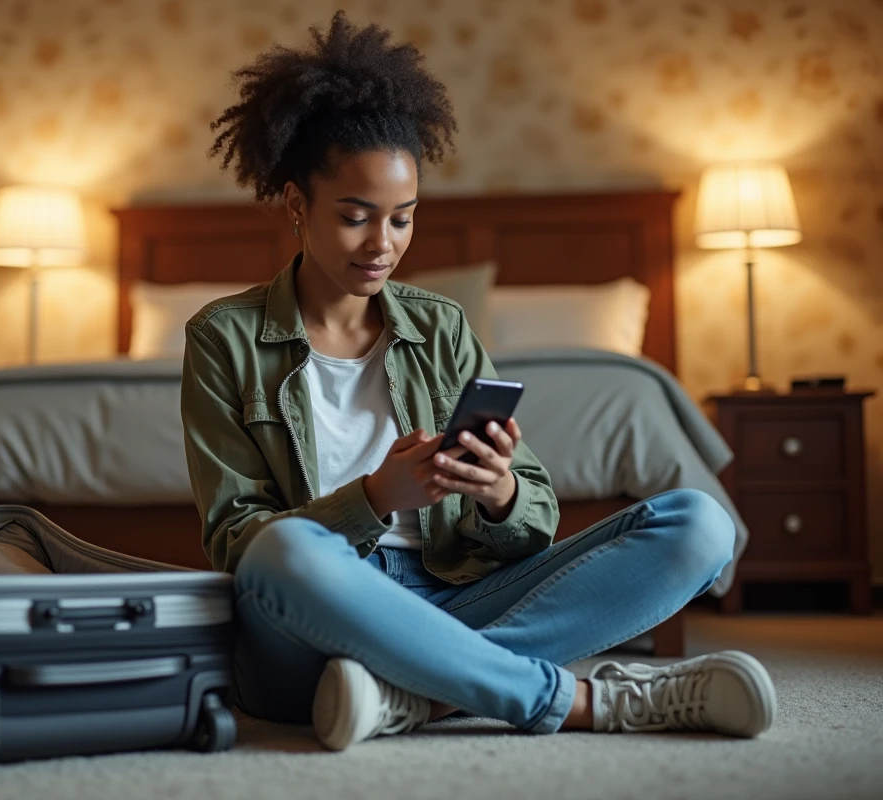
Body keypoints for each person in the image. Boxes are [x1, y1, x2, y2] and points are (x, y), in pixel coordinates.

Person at [181, 11, 776, 751]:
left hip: (456, 597)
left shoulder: (443, 328)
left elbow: (535, 522)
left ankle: (413, 698)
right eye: (356, 217)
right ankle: (574, 699)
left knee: (702, 524)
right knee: (283, 550)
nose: (383, 245)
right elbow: (237, 544)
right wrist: (373, 501)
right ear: (297, 206)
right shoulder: (222, 338)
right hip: (309, 628)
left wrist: (498, 495)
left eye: (403, 219)